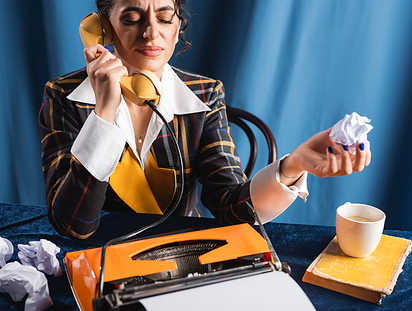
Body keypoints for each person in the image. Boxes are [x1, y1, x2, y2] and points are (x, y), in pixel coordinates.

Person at [38, 0, 371, 239]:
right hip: (100, 257)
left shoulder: (205, 94)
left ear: (178, 26)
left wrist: (293, 165)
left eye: (165, 17)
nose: (151, 32)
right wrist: (104, 114)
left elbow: (230, 207)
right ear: (103, 29)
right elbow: (73, 225)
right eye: (132, 17)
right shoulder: (63, 96)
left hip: (181, 252)